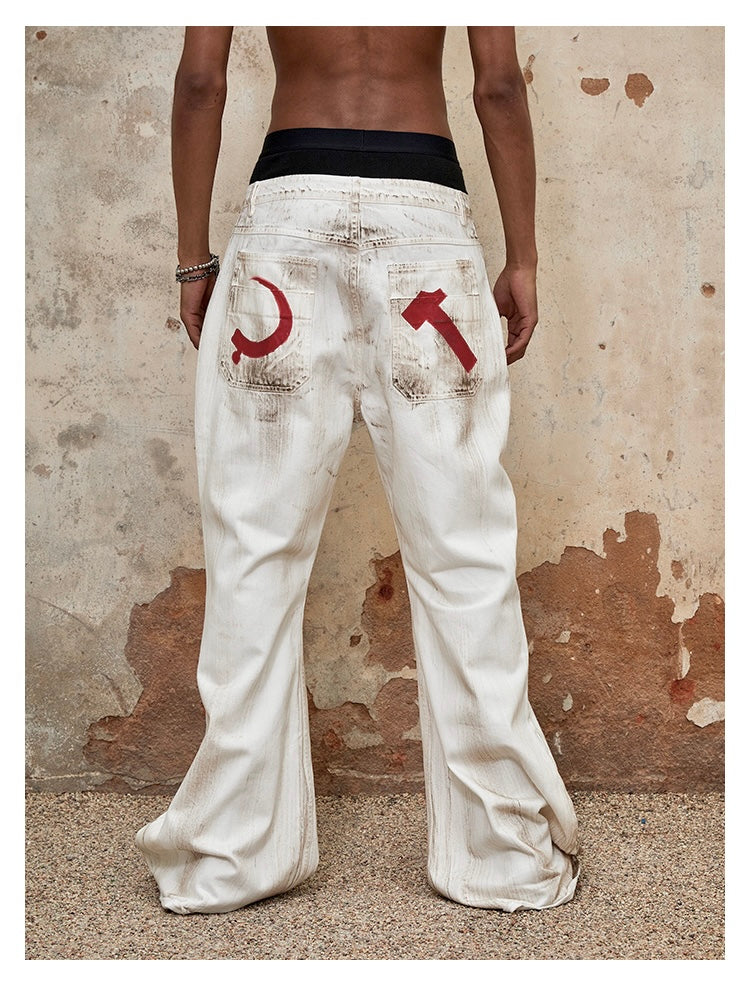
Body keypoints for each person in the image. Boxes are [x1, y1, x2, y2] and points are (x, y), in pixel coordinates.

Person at [135, 25, 581, 915]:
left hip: (286, 226)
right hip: (426, 225)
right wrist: (524, 256)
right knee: (464, 556)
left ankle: (232, 855)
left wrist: (193, 260)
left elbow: (200, 82)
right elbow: (497, 86)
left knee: (254, 552)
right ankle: (504, 855)